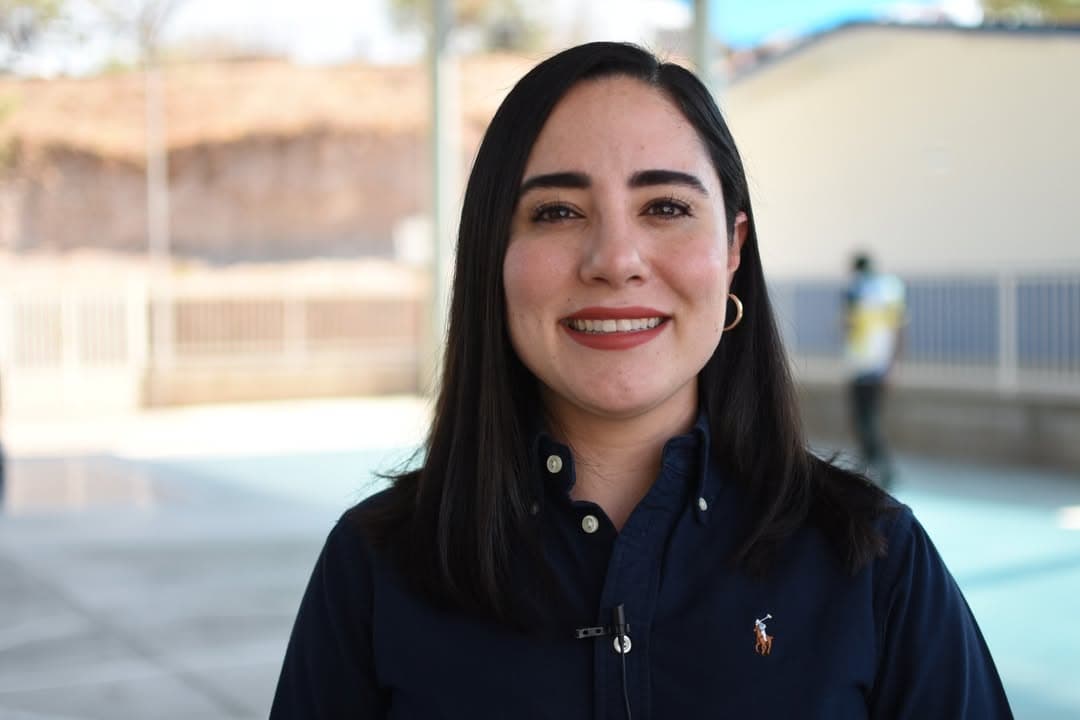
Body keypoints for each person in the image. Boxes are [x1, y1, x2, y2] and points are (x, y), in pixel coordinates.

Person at [271, 42, 1010, 718]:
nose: (615, 258)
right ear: (492, 255)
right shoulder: (375, 567)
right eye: (557, 211)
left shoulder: (873, 560)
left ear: (732, 250)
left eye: (666, 207)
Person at [844, 253, 906, 490]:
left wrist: (893, 365)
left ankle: (885, 469)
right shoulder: (863, 294)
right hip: (861, 365)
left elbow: (897, 328)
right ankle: (870, 467)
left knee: (868, 420)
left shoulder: (879, 292)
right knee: (862, 420)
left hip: (873, 366)